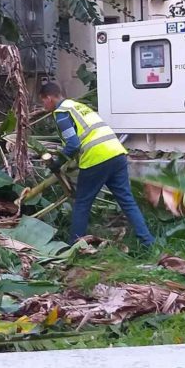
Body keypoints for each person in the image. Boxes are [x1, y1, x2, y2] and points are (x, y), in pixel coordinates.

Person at [39, 82, 154, 247]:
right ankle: (148, 243)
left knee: (82, 203)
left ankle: (75, 246)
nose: (43, 106)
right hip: (116, 153)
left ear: (49, 98)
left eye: (43, 101)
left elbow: (73, 144)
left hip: (97, 158)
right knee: (127, 201)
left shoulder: (62, 113)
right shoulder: (77, 106)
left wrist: (58, 163)